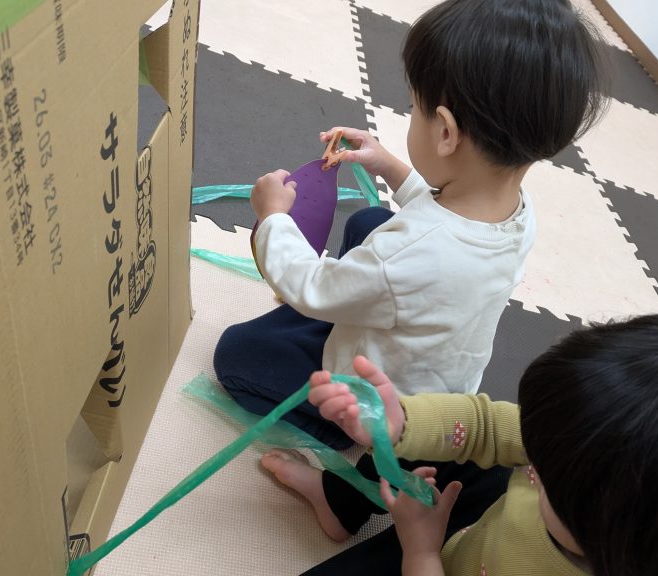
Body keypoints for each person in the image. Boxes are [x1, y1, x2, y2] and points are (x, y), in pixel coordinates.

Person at [215, 0, 604, 451]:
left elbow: (311, 287)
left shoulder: (407, 254)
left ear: (445, 133)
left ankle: (341, 430)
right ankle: (350, 316)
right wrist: (387, 164)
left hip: (378, 393)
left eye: (414, 108)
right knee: (370, 220)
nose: (411, 115)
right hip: (434, 372)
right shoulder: (516, 211)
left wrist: (274, 218)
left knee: (237, 354)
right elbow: (440, 213)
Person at [299, 314, 658, 576]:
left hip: (435, 559)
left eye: (543, 469)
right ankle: (338, 503)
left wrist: (420, 551)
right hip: (469, 535)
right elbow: (488, 427)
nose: (531, 461)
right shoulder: (587, 464)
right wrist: (399, 424)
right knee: (447, 440)